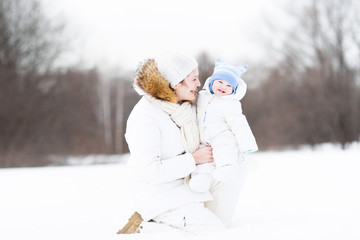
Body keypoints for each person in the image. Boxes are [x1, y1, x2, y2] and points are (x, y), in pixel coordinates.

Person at [116, 53, 224, 234]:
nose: (199, 84)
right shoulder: (144, 116)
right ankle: (150, 226)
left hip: (190, 188)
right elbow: (151, 171)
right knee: (215, 231)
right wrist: (194, 159)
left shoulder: (185, 107)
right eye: (194, 79)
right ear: (176, 83)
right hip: (162, 197)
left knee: (232, 180)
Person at [188, 59, 258, 194]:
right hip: (202, 137)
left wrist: (247, 146)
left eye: (229, 85)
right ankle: (201, 178)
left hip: (221, 134)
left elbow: (240, 125)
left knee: (224, 149)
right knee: (204, 159)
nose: (223, 86)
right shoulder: (201, 96)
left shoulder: (231, 104)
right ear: (212, 81)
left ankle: (227, 167)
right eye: (220, 82)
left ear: (234, 89)